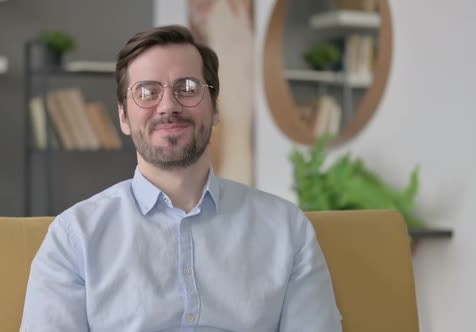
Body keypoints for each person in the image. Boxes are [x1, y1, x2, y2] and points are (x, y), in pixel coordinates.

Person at [20, 25, 342, 332]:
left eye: (187, 88)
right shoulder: (74, 239)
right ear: (123, 116)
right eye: (147, 92)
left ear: (215, 107)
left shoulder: (287, 231)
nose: (168, 106)